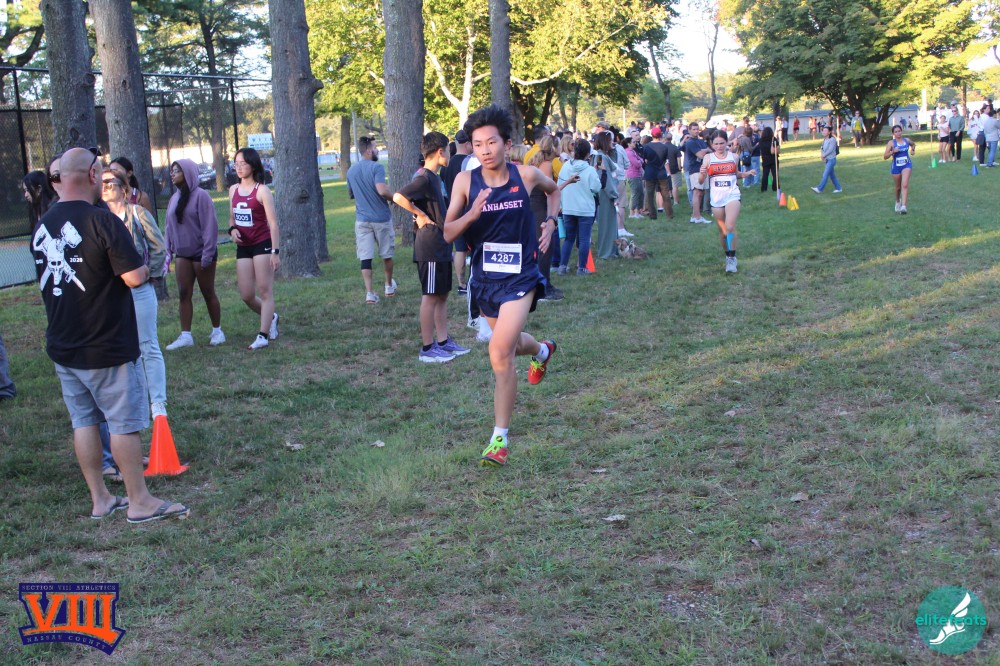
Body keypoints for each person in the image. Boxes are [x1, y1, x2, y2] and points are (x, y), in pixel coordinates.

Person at [32, 147, 188, 523]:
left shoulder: (43, 224)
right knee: (122, 424)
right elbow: (134, 277)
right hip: (106, 343)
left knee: (84, 421)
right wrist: (136, 266)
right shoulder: (102, 221)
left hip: (64, 344)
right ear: (90, 175)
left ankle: (100, 499)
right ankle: (139, 501)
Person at [443, 104, 560, 467]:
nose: (485, 150)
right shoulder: (465, 182)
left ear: (507, 144)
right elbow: (447, 232)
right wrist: (472, 214)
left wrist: (551, 222)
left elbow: (554, 191)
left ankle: (499, 440)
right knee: (508, 345)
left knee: (498, 352)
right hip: (485, 280)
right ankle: (542, 350)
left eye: (491, 142)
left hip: (522, 276)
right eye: (478, 144)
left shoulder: (525, 175)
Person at [392, 131, 470, 363]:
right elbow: (398, 197)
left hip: (442, 243)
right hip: (430, 246)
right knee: (430, 296)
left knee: (442, 295)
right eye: (448, 150)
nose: (450, 154)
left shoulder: (435, 178)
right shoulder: (424, 177)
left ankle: (443, 342)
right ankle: (428, 348)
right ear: (440, 151)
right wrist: (420, 215)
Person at [163, 159, 224, 349]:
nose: (172, 174)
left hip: (201, 253)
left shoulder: (201, 196)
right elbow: (168, 227)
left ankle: (217, 331)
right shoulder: (174, 198)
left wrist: (207, 254)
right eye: (172, 171)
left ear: (187, 173)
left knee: (207, 292)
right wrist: (168, 250)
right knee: (183, 293)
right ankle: (186, 336)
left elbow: (210, 226)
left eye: (176, 171)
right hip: (183, 254)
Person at [227, 147, 281, 350]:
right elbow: (231, 219)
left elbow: (273, 224)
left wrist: (275, 252)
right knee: (246, 295)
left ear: (253, 165)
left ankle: (263, 335)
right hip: (244, 247)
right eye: (236, 164)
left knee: (265, 290)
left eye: (243, 163)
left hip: (262, 244)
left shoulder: (262, 191)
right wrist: (232, 230)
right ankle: (272, 317)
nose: (239, 167)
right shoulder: (233, 190)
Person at [347, 136, 396, 304]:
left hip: (362, 220)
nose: (377, 150)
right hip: (381, 218)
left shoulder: (351, 171)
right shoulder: (377, 167)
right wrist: (394, 198)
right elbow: (382, 191)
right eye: (375, 148)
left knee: (365, 258)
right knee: (386, 254)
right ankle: (388, 286)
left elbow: (351, 194)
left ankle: (370, 293)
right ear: (368, 151)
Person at [700, 131, 754, 273]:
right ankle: (727, 255)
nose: (719, 146)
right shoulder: (708, 158)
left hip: (732, 195)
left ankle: (732, 258)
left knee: (730, 226)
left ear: (727, 143)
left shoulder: (734, 157)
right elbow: (701, 181)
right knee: (723, 232)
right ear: (712, 144)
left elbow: (736, 174)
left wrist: (746, 174)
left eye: (722, 143)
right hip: (716, 198)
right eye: (716, 144)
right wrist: (702, 173)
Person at [527, 135, 565, 301]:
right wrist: (551, 218)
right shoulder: (547, 164)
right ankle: (543, 287)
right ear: (554, 147)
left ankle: (542, 284)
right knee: (545, 245)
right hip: (539, 208)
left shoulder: (537, 161)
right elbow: (549, 192)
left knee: (541, 246)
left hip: (533, 206)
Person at [556, 139, 600, 274]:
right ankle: (582, 268)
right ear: (588, 154)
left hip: (568, 207)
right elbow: (596, 188)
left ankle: (562, 267)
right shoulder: (590, 170)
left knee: (569, 238)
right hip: (585, 209)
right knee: (584, 239)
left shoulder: (565, 166)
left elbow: (559, 186)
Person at [441, 129, 473, 294]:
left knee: (460, 249)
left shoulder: (447, 164)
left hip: (452, 210)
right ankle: (473, 280)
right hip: (468, 210)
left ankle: (462, 285)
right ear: (467, 144)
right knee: (474, 247)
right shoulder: (469, 163)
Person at [592, 131, 621, 260]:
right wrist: (613, 195)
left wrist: (613, 150)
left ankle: (611, 249)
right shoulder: (600, 157)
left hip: (606, 193)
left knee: (610, 223)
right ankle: (606, 251)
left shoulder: (603, 155)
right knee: (607, 224)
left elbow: (613, 165)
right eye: (610, 141)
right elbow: (604, 177)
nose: (612, 143)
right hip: (606, 194)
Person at [639, 127, 674, 221]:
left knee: (650, 195)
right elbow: (665, 160)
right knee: (665, 195)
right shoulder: (664, 147)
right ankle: (669, 214)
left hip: (650, 172)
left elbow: (644, 160)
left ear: (652, 135)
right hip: (661, 172)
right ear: (660, 135)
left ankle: (652, 215)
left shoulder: (646, 147)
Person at [681, 123, 711, 223]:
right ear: (689, 130)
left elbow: (708, 152)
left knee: (701, 193)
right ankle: (697, 217)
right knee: (697, 192)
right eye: (694, 129)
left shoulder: (700, 141)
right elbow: (701, 155)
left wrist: (705, 150)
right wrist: (706, 150)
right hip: (695, 169)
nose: (696, 131)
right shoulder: (690, 142)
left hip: (703, 168)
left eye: (697, 129)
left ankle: (695, 216)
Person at [883, 125, 914, 214]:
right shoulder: (891, 143)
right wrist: (893, 151)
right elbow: (885, 156)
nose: (898, 133)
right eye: (896, 132)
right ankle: (897, 201)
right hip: (896, 167)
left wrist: (913, 150)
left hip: (906, 165)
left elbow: (913, 144)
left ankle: (904, 207)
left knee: (904, 184)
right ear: (893, 133)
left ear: (901, 131)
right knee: (898, 188)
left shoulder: (907, 140)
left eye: (899, 131)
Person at [811, 125, 843, 194]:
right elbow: (822, 148)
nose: (824, 132)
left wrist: (824, 155)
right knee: (832, 176)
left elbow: (830, 150)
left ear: (829, 132)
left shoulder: (832, 140)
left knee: (825, 174)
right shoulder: (824, 140)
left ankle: (819, 189)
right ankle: (838, 188)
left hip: (831, 160)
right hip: (827, 160)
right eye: (823, 130)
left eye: (825, 131)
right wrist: (822, 155)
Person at [623, 136, 644, 219]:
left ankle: (637, 211)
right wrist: (640, 161)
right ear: (628, 144)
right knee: (635, 193)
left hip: (638, 174)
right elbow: (637, 163)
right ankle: (632, 213)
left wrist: (640, 161)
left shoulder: (633, 151)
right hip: (633, 175)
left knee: (640, 193)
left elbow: (641, 159)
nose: (635, 143)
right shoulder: (628, 153)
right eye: (633, 142)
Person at [759, 126, 780, 192]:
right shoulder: (773, 139)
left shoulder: (761, 140)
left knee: (765, 174)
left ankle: (763, 188)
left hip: (765, 159)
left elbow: (761, 149)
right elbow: (778, 148)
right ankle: (775, 187)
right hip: (773, 159)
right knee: (775, 174)